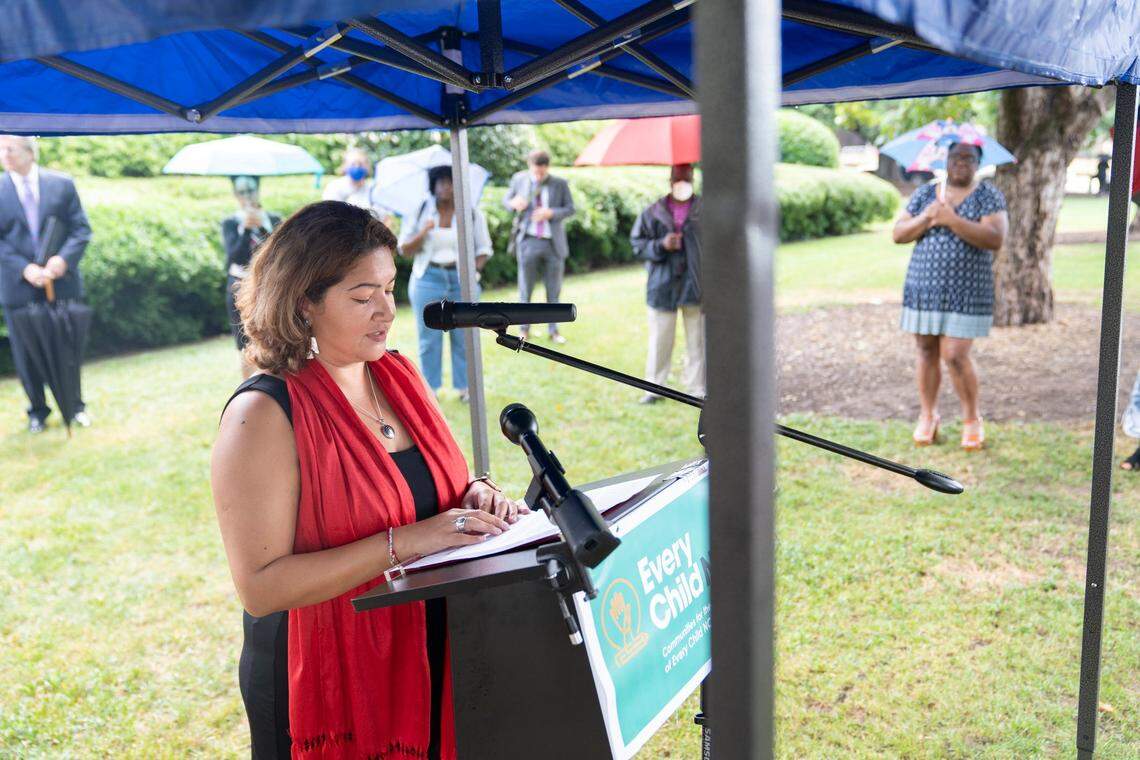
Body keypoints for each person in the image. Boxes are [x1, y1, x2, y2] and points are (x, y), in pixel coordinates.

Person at [212, 200, 524, 760]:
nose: (387, 311)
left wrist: (475, 496)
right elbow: (260, 589)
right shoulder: (261, 414)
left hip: (426, 650)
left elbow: (425, 491)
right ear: (303, 302)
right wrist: (413, 539)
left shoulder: (397, 374)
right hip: (322, 678)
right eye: (362, 297)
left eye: (389, 287)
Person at [892, 141, 1008, 450]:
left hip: (968, 289)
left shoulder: (987, 195)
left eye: (969, 158)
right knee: (926, 350)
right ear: (946, 160)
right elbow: (898, 234)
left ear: (978, 163)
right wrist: (928, 217)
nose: (961, 163)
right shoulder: (927, 193)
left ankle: (972, 419)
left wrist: (952, 219)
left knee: (955, 355)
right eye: (956, 157)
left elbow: (995, 238)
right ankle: (928, 416)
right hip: (924, 286)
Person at [0, 134, 92, 433]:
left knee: (67, 347)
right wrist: (24, 268)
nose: (4, 155)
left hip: (60, 285)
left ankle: (75, 406)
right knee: (26, 354)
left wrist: (62, 261)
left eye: (9, 148)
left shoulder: (61, 184)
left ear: (30, 152)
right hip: (19, 288)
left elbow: (81, 229)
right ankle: (37, 411)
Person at [399, 165, 493, 403]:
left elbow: (483, 250)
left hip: (461, 280)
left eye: (450, 182)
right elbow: (404, 250)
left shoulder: (471, 213)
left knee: (464, 337)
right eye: (440, 182)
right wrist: (423, 231)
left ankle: (465, 388)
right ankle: (430, 389)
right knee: (429, 338)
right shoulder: (421, 210)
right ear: (433, 185)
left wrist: (474, 274)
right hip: (428, 278)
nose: (445, 187)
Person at [630, 164, 705, 403]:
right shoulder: (653, 212)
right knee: (660, 339)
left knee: (698, 340)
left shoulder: (705, 210)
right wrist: (661, 244)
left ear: (693, 179)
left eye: (686, 178)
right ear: (670, 180)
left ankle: (697, 389)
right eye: (678, 178)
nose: (682, 183)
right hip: (662, 285)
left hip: (696, 284)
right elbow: (637, 243)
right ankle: (654, 388)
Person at [503, 149, 575, 343]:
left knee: (554, 290)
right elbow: (506, 202)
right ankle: (523, 330)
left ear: (547, 167)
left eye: (542, 172)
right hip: (528, 240)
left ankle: (554, 331)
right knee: (525, 289)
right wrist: (513, 203)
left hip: (553, 243)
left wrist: (550, 213)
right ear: (530, 166)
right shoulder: (519, 180)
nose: (539, 175)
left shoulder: (559, 183)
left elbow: (570, 208)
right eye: (536, 172)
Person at [221, 175, 280, 379]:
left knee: (272, 340)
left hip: (268, 286)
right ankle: (249, 389)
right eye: (242, 192)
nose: (247, 196)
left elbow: (278, 253)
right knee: (245, 344)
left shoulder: (273, 219)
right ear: (236, 195)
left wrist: (262, 227)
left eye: (251, 190)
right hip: (239, 285)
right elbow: (234, 258)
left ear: (258, 190)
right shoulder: (231, 223)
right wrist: (246, 231)